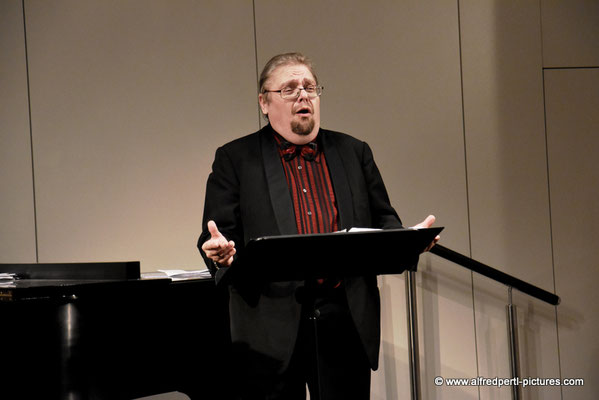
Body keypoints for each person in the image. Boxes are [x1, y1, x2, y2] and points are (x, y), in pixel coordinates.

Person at [198, 52, 438, 400]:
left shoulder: (354, 152)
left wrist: (407, 241)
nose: (302, 95)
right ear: (264, 102)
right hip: (271, 327)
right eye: (289, 88)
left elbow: (385, 221)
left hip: (345, 320)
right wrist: (222, 254)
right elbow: (218, 235)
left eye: (309, 87)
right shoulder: (236, 158)